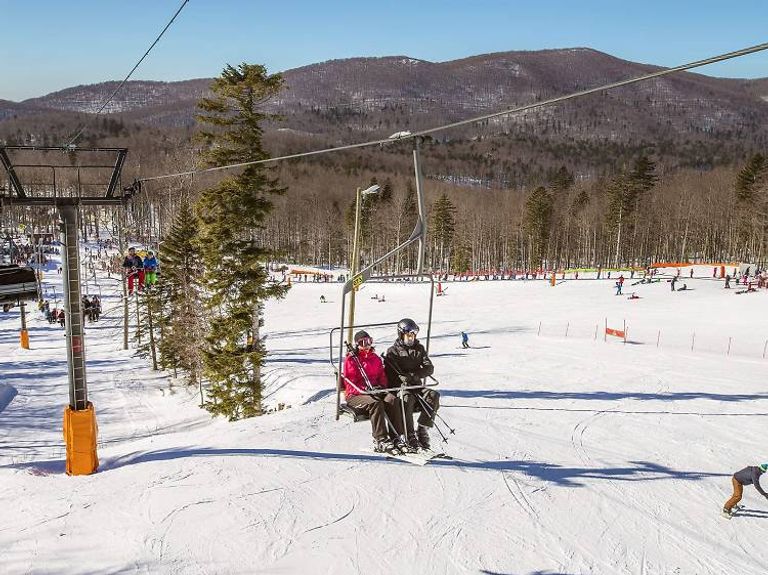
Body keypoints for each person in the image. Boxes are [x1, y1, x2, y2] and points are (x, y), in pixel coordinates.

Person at [342, 330, 404, 454]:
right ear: (357, 344)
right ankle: (380, 440)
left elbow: (382, 376)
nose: (367, 345)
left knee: (392, 399)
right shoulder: (351, 360)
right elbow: (350, 383)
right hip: (356, 395)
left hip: (375, 391)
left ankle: (396, 437)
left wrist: (381, 387)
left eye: (369, 341)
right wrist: (365, 390)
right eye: (363, 342)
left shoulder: (375, 358)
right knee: (375, 403)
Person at [385, 318, 440, 451]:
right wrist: (401, 378)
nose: (411, 338)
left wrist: (414, 376)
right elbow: (390, 374)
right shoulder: (393, 351)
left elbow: (429, 368)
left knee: (433, 395)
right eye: (408, 335)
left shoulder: (419, 349)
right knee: (407, 398)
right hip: (402, 388)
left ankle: (422, 428)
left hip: (416, 386)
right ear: (401, 334)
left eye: (413, 335)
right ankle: (409, 435)